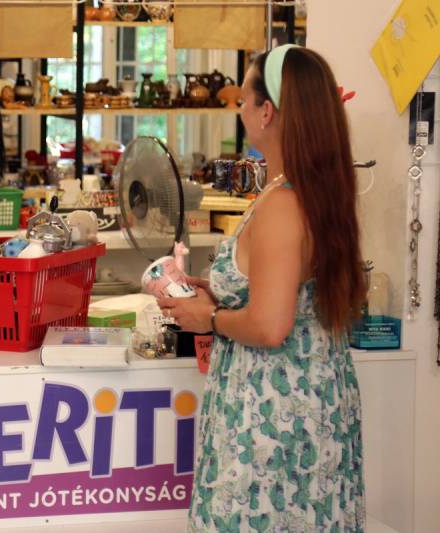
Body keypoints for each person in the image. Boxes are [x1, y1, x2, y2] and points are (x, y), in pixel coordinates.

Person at [158, 45, 367, 531]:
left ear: (266, 111)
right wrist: (219, 289)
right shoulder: (313, 189)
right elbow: (285, 288)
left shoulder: (283, 204)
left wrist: (207, 317)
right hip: (315, 402)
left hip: (272, 419)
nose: (241, 111)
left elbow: (271, 326)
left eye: (245, 101)